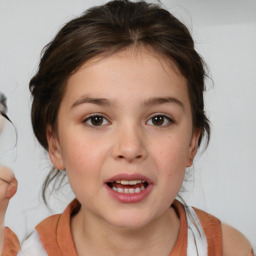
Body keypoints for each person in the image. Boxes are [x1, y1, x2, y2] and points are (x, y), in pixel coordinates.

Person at [0, 0, 254, 255]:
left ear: (191, 143)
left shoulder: (230, 249)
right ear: (55, 144)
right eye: (96, 120)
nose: (130, 148)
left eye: (158, 120)